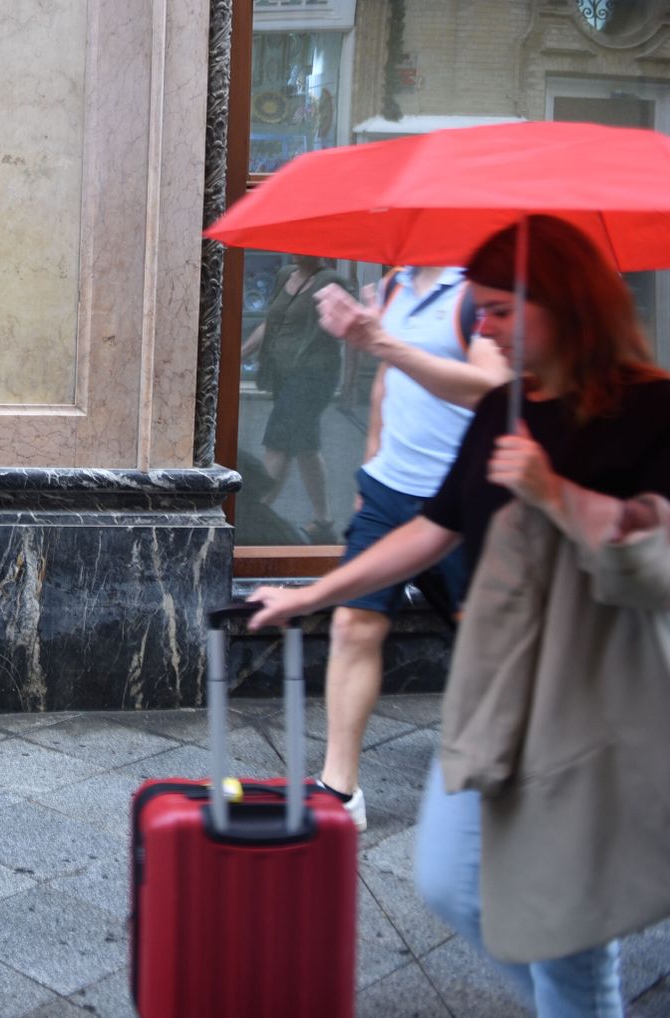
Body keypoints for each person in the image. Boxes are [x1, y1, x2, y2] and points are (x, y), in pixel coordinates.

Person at [248, 215, 670, 1017]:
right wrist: (309, 595)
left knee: (564, 923)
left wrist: (557, 494)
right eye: (478, 310)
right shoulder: (503, 409)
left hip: (595, 695)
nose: (485, 327)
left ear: (567, 302)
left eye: (504, 310)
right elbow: (431, 530)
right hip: (498, 685)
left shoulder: (651, 409)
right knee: (451, 883)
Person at [307, 267, 508, 830]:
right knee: (354, 626)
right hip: (388, 492)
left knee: (487, 645)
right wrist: (371, 467)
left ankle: (520, 766)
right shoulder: (397, 284)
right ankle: (339, 788)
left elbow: (491, 388)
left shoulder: (476, 290)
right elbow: (386, 382)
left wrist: (379, 340)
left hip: (460, 502)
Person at [240, 255, 348, 543]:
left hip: (312, 378)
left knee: (279, 441)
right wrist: (240, 353)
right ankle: (323, 522)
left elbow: (348, 328)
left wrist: (350, 382)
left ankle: (256, 516)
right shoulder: (285, 275)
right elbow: (271, 322)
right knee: (305, 447)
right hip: (283, 377)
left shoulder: (331, 283)